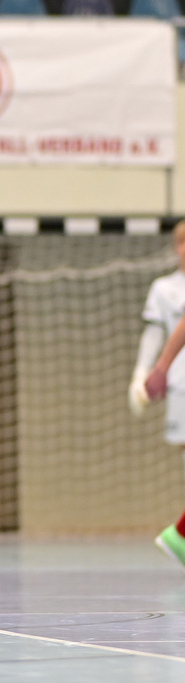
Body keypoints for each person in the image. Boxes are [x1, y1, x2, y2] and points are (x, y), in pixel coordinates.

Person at [131, 219, 185, 572]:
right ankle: (179, 536)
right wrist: (151, 370)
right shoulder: (165, 289)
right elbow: (165, 331)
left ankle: (179, 536)